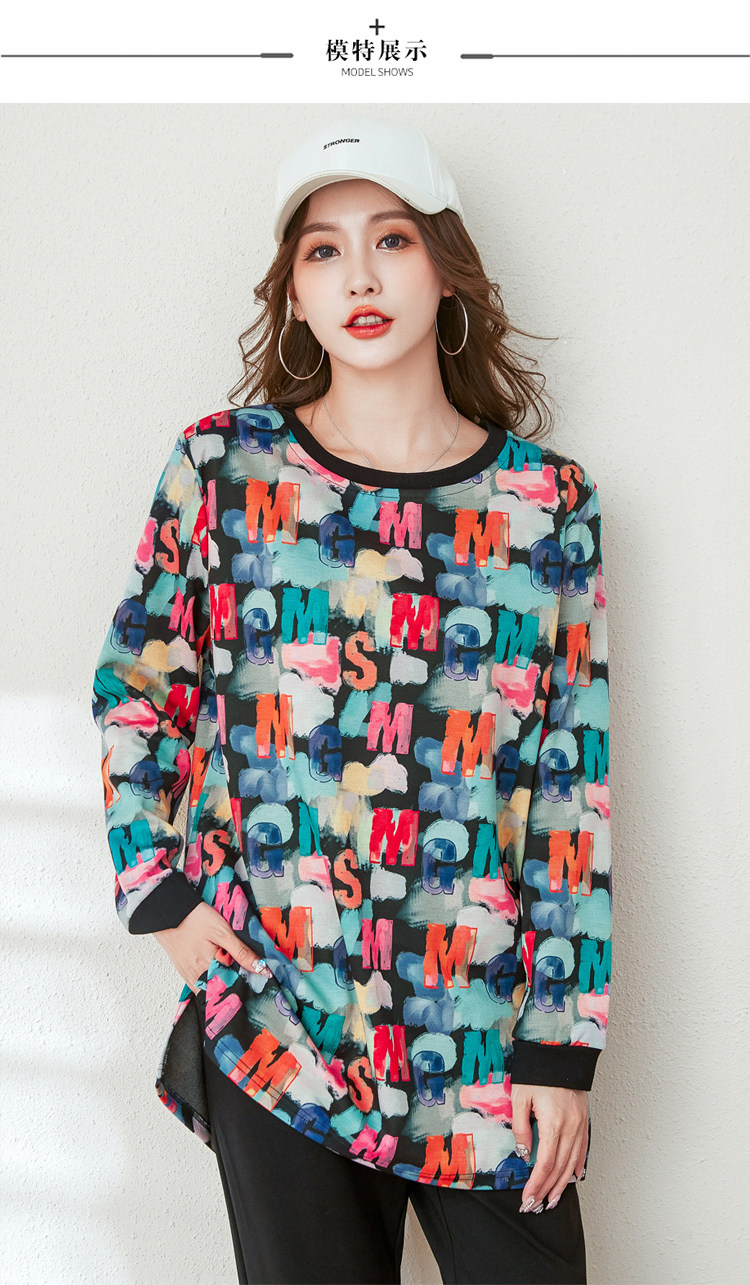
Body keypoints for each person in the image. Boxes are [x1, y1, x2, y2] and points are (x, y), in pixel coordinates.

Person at [91, 115, 611, 1285]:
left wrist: (561, 1044)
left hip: (486, 1033)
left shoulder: (547, 504)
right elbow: (139, 686)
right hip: (279, 1012)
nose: (360, 277)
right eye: (323, 250)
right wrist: (159, 894)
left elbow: (570, 783)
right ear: (293, 290)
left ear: (447, 268)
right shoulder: (222, 469)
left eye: (393, 240)